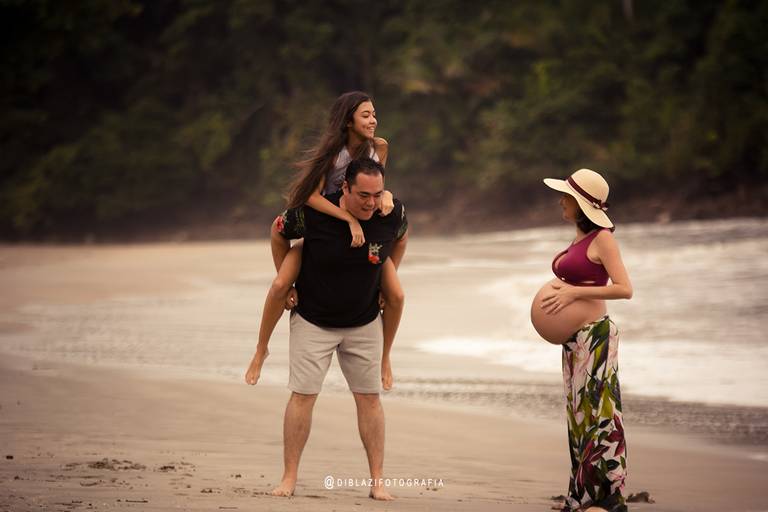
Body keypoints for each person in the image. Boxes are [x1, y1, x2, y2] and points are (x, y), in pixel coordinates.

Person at [245, 157, 408, 501]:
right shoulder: (313, 214)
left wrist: (387, 272)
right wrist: (288, 281)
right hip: (313, 320)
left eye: (376, 194)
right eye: (363, 195)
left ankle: (377, 482)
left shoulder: (391, 213)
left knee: (370, 399)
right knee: (303, 395)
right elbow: (278, 230)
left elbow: (402, 236)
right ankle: (289, 477)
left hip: (364, 321)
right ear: (345, 188)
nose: (371, 203)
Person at [271, 91, 403, 391]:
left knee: (396, 294)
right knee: (280, 285)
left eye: (374, 114)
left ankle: (385, 358)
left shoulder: (378, 147)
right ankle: (264, 342)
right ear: (348, 121)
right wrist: (349, 220)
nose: (373, 120)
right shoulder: (333, 154)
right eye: (365, 115)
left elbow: (375, 183)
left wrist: (386, 196)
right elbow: (309, 196)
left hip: (363, 231)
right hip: (325, 230)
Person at [530, 168, 633, 512]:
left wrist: (573, 293)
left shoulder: (603, 239)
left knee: (600, 413)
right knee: (579, 415)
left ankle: (607, 496)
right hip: (575, 340)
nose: (561, 201)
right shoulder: (579, 237)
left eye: (567, 197)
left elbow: (625, 289)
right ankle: (583, 493)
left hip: (596, 337)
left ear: (581, 203)